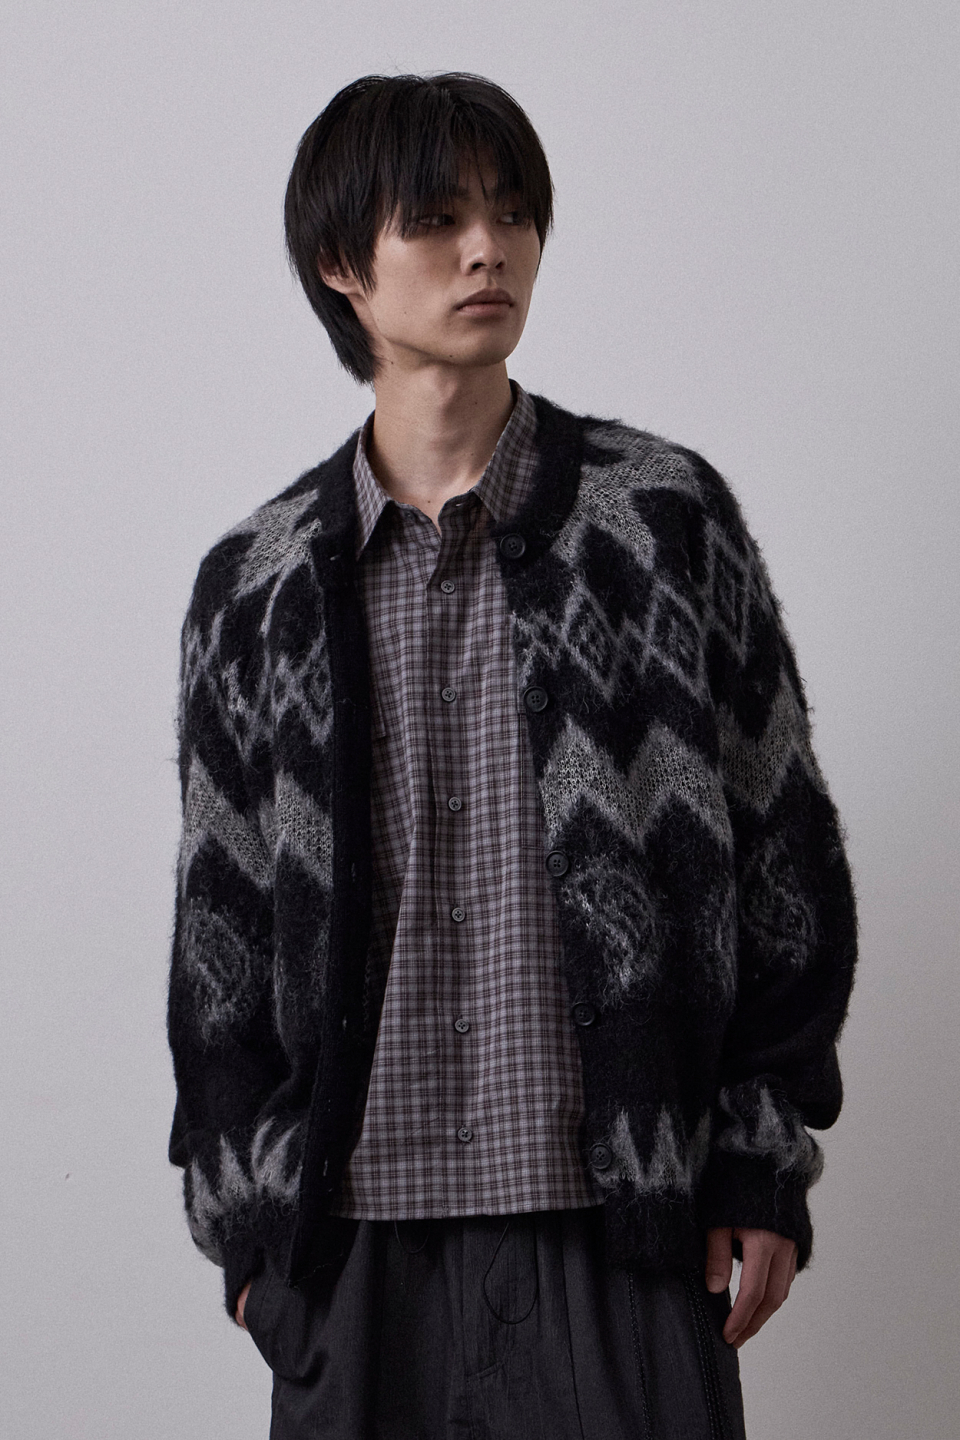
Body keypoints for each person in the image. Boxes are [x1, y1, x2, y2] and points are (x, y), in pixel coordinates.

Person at [167, 72, 858, 1439]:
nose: (489, 249)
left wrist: (758, 1160)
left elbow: (783, 858)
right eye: (437, 219)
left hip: (626, 1227)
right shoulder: (255, 586)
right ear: (341, 263)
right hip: (352, 1251)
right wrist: (251, 1238)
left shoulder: (661, 523)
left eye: (513, 212)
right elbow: (219, 942)